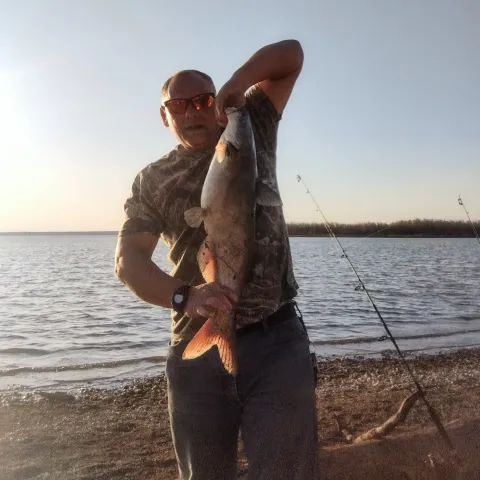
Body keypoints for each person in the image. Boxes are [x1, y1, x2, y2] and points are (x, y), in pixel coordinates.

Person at [115, 39, 317, 480]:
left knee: (288, 472)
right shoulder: (153, 180)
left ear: (217, 104)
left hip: (276, 342)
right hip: (196, 352)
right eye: (179, 105)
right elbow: (128, 262)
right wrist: (185, 297)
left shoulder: (250, 126)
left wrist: (238, 84)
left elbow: (292, 55)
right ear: (164, 116)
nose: (193, 111)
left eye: (203, 100)